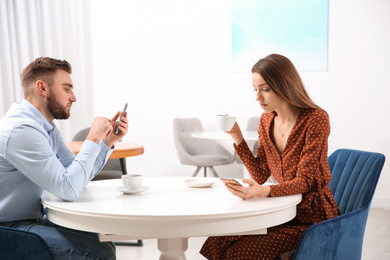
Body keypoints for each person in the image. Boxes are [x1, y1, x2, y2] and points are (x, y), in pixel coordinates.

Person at [200, 54, 340, 260]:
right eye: (255, 89)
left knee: (239, 252)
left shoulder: (316, 119)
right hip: (282, 208)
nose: (258, 97)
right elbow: (261, 174)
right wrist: (237, 137)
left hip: (312, 217)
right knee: (218, 239)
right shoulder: (266, 120)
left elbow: (306, 181)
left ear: (285, 84)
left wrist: (263, 192)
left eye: (265, 89)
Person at [0, 57, 128, 259]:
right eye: (67, 89)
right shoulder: (21, 130)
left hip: (32, 217)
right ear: (42, 88)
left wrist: (106, 142)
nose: (74, 97)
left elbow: (77, 178)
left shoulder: (45, 127)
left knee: (103, 242)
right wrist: (93, 138)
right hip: (7, 228)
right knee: (98, 253)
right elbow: (68, 189)